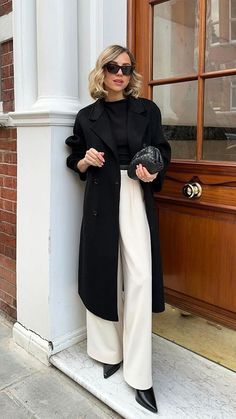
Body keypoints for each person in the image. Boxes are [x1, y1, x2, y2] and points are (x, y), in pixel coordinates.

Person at [65, 45, 171, 414]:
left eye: (127, 68)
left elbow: (161, 149)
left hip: (135, 194)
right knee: (103, 275)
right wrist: (85, 160)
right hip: (100, 201)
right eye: (113, 67)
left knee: (139, 279)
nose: (120, 73)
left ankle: (141, 376)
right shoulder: (86, 116)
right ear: (102, 71)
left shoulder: (148, 110)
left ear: (132, 74)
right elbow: (74, 157)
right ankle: (109, 352)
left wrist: (154, 170)